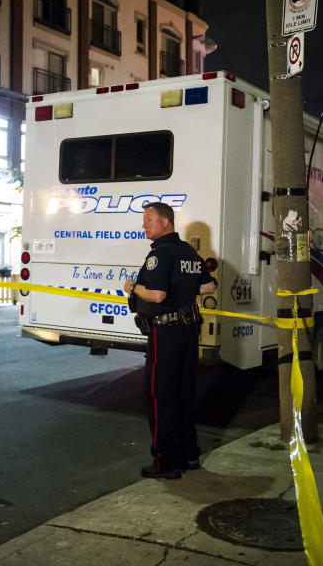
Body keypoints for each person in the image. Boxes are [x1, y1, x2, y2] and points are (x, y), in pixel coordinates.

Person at [123, 202, 216, 479]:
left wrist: (133, 287)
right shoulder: (189, 252)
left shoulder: (160, 255)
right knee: (184, 393)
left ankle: (166, 462)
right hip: (188, 332)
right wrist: (184, 288)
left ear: (164, 222)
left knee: (160, 395)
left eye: (148, 220)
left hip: (165, 334)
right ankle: (189, 456)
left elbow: (158, 295)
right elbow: (209, 285)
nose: (144, 225)